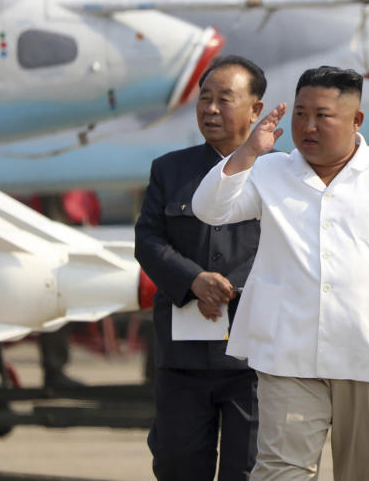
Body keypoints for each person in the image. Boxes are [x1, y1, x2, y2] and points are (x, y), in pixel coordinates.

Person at [192, 66, 369, 481]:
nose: (307, 126)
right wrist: (247, 153)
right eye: (299, 113)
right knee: (280, 472)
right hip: (290, 351)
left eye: (322, 116)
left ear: (356, 120)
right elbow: (210, 209)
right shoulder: (270, 170)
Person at [135, 55, 267, 481]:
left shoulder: (280, 174)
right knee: (176, 464)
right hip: (183, 357)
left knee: (247, 470)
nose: (210, 109)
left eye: (224, 99)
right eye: (204, 99)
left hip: (254, 357)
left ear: (255, 109)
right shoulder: (170, 170)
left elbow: (294, 249)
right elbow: (148, 240)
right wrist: (193, 280)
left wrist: (231, 288)